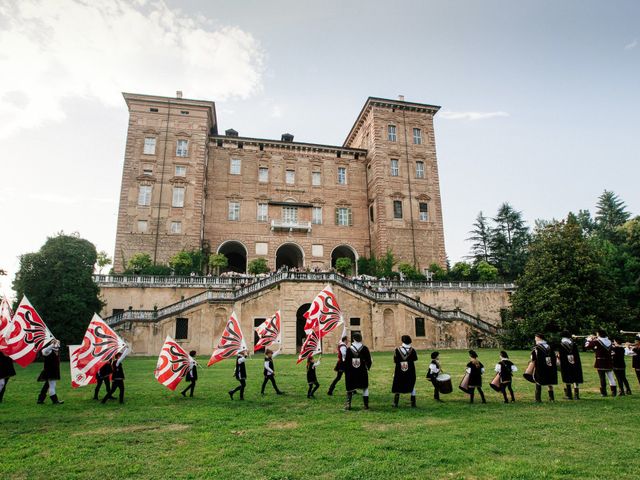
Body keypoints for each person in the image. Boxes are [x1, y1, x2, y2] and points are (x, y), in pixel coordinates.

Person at [344, 332, 372, 410]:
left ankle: (348, 405)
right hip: (362, 371)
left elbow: (346, 362)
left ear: (353, 339)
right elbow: (369, 361)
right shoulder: (365, 348)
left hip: (351, 372)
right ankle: (366, 405)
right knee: (365, 388)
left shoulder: (349, 349)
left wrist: (346, 371)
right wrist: (367, 367)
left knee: (350, 387)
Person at [585, 329, 617, 397]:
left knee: (602, 378)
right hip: (608, 361)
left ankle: (603, 393)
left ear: (599, 334)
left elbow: (587, 346)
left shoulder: (597, 341)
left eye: (597, 334)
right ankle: (614, 392)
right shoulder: (609, 341)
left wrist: (589, 339)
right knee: (611, 377)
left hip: (600, 361)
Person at [391, 335, 418, 408]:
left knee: (398, 384)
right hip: (410, 370)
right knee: (412, 384)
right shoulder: (413, 350)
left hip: (399, 369)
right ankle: (413, 403)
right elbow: (415, 359)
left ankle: (395, 403)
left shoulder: (397, 350)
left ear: (402, 341)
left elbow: (395, 361)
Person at [531, 333, 558, 402]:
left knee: (538, 380)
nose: (535, 339)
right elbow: (554, 356)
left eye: (535, 337)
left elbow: (533, 358)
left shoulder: (536, 347)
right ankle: (551, 398)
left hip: (540, 366)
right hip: (549, 365)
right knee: (549, 382)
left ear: (539, 338)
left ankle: (538, 399)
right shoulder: (549, 346)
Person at [557, 332, 583, 400]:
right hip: (574, 361)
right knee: (575, 377)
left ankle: (569, 395)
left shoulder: (562, 344)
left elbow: (560, 355)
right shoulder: (573, 344)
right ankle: (576, 395)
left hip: (565, 362)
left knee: (567, 377)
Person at [37, 339, 63, 405]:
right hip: (49, 371)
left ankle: (40, 399)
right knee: (52, 385)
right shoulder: (48, 351)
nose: (57, 343)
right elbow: (44, 351)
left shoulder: (56, 350)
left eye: (58, 342)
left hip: (54, 371)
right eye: (55, 342)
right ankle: (55, 401)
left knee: (46, 385)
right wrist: (52, 345)